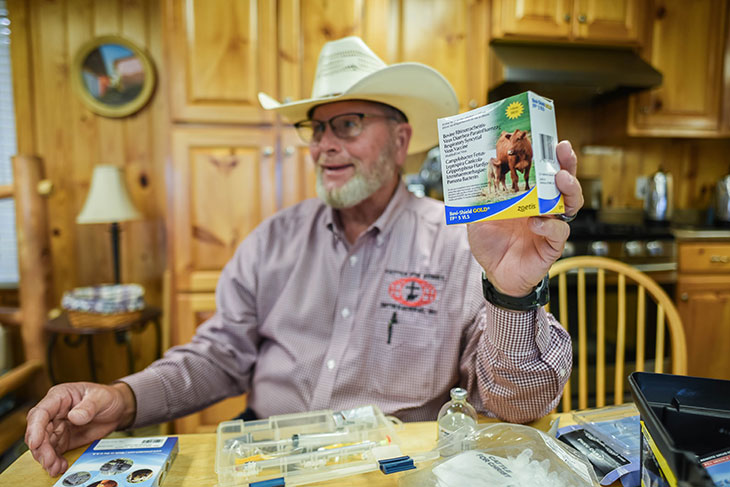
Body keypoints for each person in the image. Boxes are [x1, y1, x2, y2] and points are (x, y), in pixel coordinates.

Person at [26, 36, 583, 476]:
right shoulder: (273, 240)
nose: (323, 145)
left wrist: (511, 295)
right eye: (316, 128)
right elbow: (216, 358)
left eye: (347, 124)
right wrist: (121, 399)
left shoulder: (459, 241)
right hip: (263, 462)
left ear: (399, 139)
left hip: (392, 470)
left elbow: (515, 407)